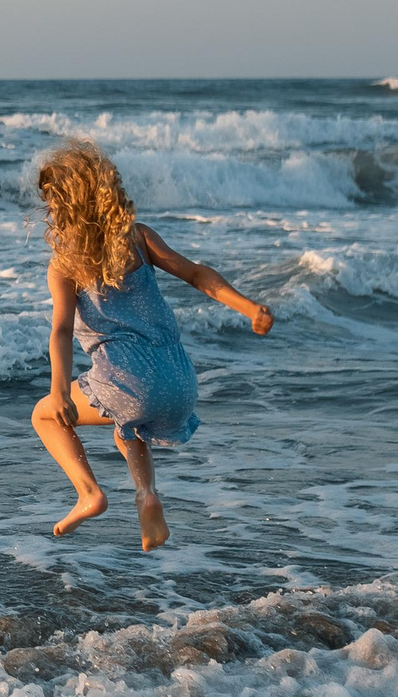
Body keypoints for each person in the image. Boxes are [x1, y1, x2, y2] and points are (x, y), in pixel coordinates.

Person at [29, 140, 273, 550]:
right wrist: (249, 308)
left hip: (128, 383)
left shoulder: (66, 265)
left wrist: (58, 391)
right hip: (180, 382)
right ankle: (147, 497)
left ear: (64, 208)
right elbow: (198, 276)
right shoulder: (140, 239)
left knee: (44, 417)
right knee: (128, 426)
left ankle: (89, 493)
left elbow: (62, 331)